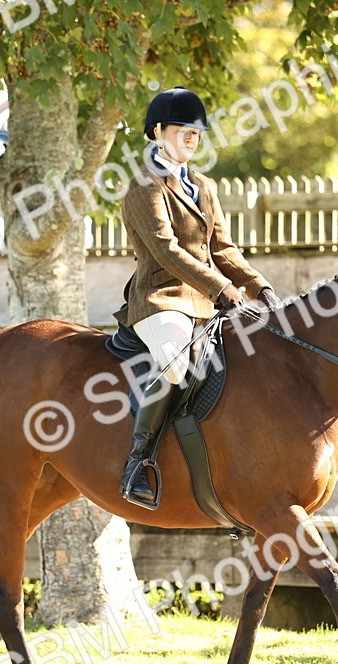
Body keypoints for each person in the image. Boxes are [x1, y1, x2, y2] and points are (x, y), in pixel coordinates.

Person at [116, 86, 279, 509]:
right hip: (162, 298)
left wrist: (260, 287)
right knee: (175, 363)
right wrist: (221, 289)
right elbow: (166, 250)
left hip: (207, 301)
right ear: (157, 132)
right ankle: (138, 461)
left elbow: (223, 249)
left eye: (196, 132)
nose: (192, 137)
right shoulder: (142, 185)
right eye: (182, 130)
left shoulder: (203, 186)